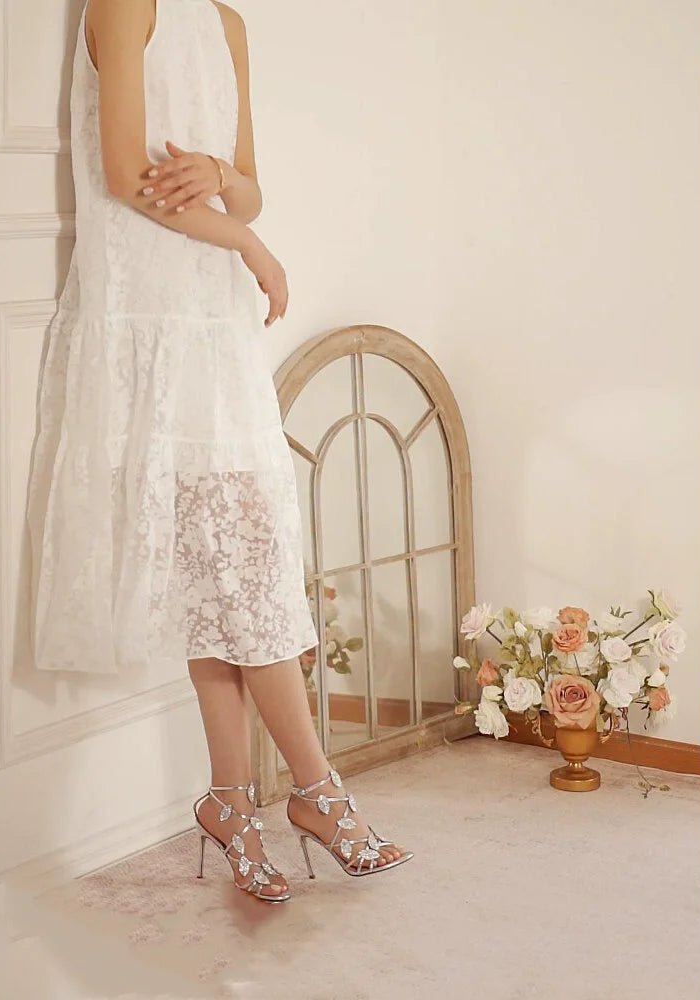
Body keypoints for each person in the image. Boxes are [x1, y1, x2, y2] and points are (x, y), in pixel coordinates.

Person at [25, 0, 412, 904]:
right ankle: (315, 792)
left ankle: (232, 801)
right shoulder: (124, 4)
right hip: (148, 318)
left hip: (212, 321)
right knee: (236, 570)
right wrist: (250, 244)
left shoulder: (228, 23)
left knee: (231, 570)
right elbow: (125, 173)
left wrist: (223, 181)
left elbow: (250, 187)